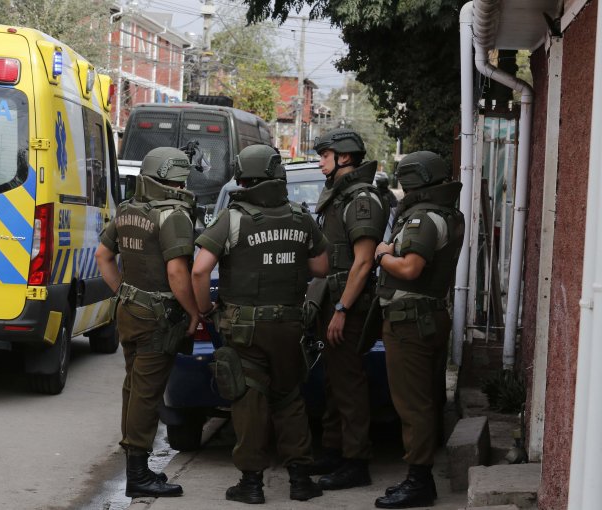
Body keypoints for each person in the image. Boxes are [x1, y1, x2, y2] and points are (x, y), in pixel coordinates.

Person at [191, 144, 329, 504]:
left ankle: (251, 485)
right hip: (289, 326)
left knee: (249, 400)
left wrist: (206, 311)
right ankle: (300, 481)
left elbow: (200, 269)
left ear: (243, 178)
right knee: (289, 398)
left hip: (245, 329)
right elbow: (321, 268)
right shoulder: (301, 217)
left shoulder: (232, 219)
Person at [94, 147, 201, 498]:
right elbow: (177, 272)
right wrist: (195, 311)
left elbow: (103, 255)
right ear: (176, 176)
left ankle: (134, 462)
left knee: (133, 387)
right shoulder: (173, 215)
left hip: (129, 310)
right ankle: (139, 474)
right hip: (159, 316)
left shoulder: (127, 210)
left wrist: (122, 291)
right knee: (146, 392)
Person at [370, 151, 464, 508]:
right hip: (429, 315)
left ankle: (419, 481)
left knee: (413, 405)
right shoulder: (449, 215)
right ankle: (417, 476)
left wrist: (382, 255)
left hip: (410, 320)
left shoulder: (423, 219)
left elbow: (409, 268)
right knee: (424, 399)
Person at [308, 128, 388, 490]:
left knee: (349, 384)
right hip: (333, 298)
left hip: (348, 303)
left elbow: (363, 261)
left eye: (325, 154)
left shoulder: (361, 199)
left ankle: (355, 462)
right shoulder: (341, 196)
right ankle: (333, 450)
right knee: (333, 380)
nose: (320, 160)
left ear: (344, 157)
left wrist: (341, 308)